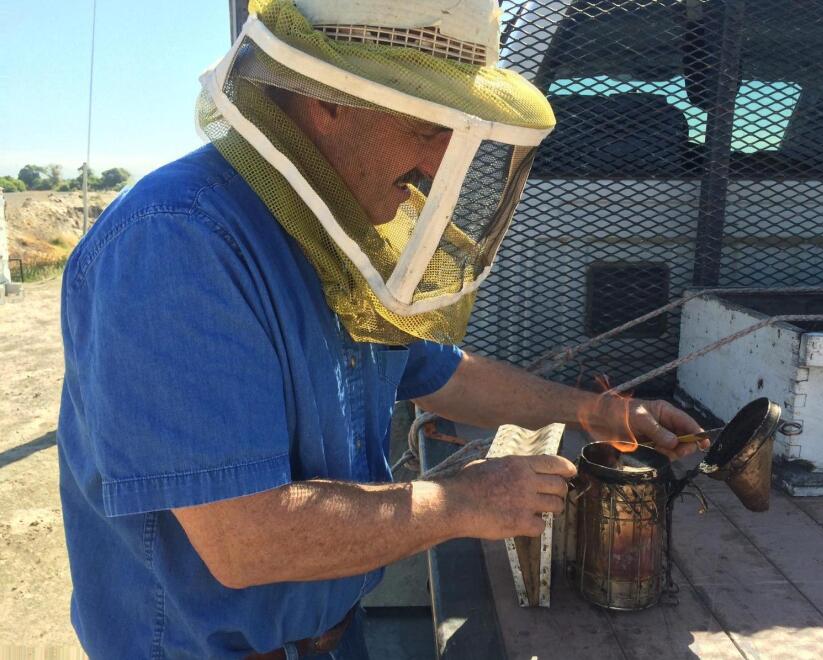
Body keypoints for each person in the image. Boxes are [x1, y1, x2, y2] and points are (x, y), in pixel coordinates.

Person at [56, 1, 705, 657]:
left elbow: (438, 372)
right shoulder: (176, 245)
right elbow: (247, 539)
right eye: (429, 122)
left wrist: (598, 412)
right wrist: (464, 501)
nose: (443, 158)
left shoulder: (340, 233)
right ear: (330, 98)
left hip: (334, 637)